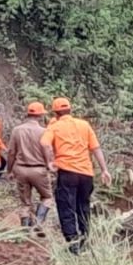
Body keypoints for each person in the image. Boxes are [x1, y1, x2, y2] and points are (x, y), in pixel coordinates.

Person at [41, 97, 111, 253]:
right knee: (83, 207)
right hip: (86, 174)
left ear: (56, 113)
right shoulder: (84, 125)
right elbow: (96, 148)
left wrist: (50, 162)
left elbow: (44, 143)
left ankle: (73, 244)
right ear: (70, 110)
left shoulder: (55, 127)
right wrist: (104, 170)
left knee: (66, 207)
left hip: (67, 173)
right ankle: (85, 241)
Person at [7, 102, 53, 235]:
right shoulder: (43, 132)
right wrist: (49, 165)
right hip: (39, 170)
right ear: (40, 115)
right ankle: (38, 223)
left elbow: (11, 152)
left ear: (28, 114)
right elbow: (47, 151)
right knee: (47, 197)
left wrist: (9, 170)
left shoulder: (17, 130)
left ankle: (25, 231)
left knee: (25, 202)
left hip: (20, 169)